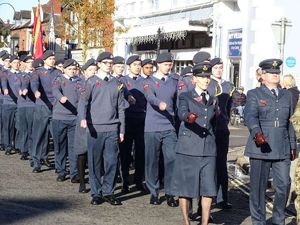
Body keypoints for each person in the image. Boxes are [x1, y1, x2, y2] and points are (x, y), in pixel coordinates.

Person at [244, 58, 296, 225]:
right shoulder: (254, 94)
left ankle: (278, 219)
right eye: (271, 73)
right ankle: (258, 221)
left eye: (277, 72)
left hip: (282, 146)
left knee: (284, 184)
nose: (275, 75)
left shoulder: (287, 95)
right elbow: (250, 116)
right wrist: (256, 132)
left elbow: (289, 122)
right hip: (261, 146)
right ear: (263, 75)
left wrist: (293, 145)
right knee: (258, 189)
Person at [172, 62, 218, 225]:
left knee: (208, 188)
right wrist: (188, 117)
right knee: (185, 189)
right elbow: (181, 112)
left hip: (208, 148)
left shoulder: (213, 99)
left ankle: (204, 223)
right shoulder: (185, 96)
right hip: (188, 148)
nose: (206, 80)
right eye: (202, 77)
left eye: (207, 77)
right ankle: (186, 222)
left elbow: (215, 122)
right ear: (194, 79)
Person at [78, 52, 125, 206]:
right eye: (106, 62)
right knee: (94, 161)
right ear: (99, 64)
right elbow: (83, 102)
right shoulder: (91, 82)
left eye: (111, 62)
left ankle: (108, 192)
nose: (109, 65)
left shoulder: (117, 83)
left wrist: (122, 129)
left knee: (111, 161)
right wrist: (83, 118)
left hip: (112, 127)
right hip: (95, 128)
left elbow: (120, 107)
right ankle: (96, 193)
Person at [143, 52, 178, 207]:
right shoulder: (149, 81)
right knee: (152, 161)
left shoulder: (174, 80)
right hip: (152, 126)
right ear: (158, 64)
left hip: (169, 125)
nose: (168, 67)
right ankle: (154, 192)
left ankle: (170, 193)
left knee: (172, 159)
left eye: (170, 64)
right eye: (165, 64)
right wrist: (159, 103)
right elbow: (149, 96)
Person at [207, 57, 235, 209]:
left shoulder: (228, 85)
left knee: (221, 164)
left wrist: (225, 120)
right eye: (216, 67)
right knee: (209, 163)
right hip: (209, 128)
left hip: (222, 128)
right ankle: (208, 198)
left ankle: (222, 198)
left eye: (220, 67)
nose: (218, 70)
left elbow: (229, 107)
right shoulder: (206, 82)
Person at [30, 50, 61, 173]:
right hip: (42, 106)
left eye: (53, 58)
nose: (52, 60)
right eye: (50, 59)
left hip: (56, 107)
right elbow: (34, 83)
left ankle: (47, 157)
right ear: (44, 60)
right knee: (39, 134)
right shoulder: (38, 72)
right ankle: (36, 160)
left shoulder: (58, 73)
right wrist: (36, 91)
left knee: (54, 135)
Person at [52, 59, 83, 183]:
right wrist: (61, 97)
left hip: (74, 118)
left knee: (73, 147)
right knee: (60, 146)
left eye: (74, 69)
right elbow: (55, 90)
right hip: (59, 117)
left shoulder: (80, 81)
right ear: (64, 69)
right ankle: (61, 171)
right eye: (70, 69)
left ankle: (74, 173)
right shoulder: (58, 79)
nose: (72, 71)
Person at [119, 55, 147, 193]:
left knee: (140, 152)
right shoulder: (122, 80)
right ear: (128, 66)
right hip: (127, 119)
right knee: (125, 152)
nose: (137, 67)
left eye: (139, 64)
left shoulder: (145, 81)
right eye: (134, 64)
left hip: (142, 119)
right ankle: (125, 181)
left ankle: (138, 181)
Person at [74, 58, 98, 193]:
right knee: (82, 151)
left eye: (95, 70)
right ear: (84, 72)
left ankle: (96, 180)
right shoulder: (80, 84)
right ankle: (82, 182)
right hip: (83, 121)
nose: (93, 72)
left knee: (95, 153)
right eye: (90, 70)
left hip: (97, 121)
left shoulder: (99, 83)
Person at [1, 55, 21, 155]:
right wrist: (5, 89)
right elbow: (4, 83)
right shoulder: (6, 74)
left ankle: (16, 145)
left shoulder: (22, 74)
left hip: (19, 104)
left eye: (18, 63)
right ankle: (7, 145)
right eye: (14, 63)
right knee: (7, 126)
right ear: (11, 64)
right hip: (8, 103)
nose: (16, 65)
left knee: (18, 126)